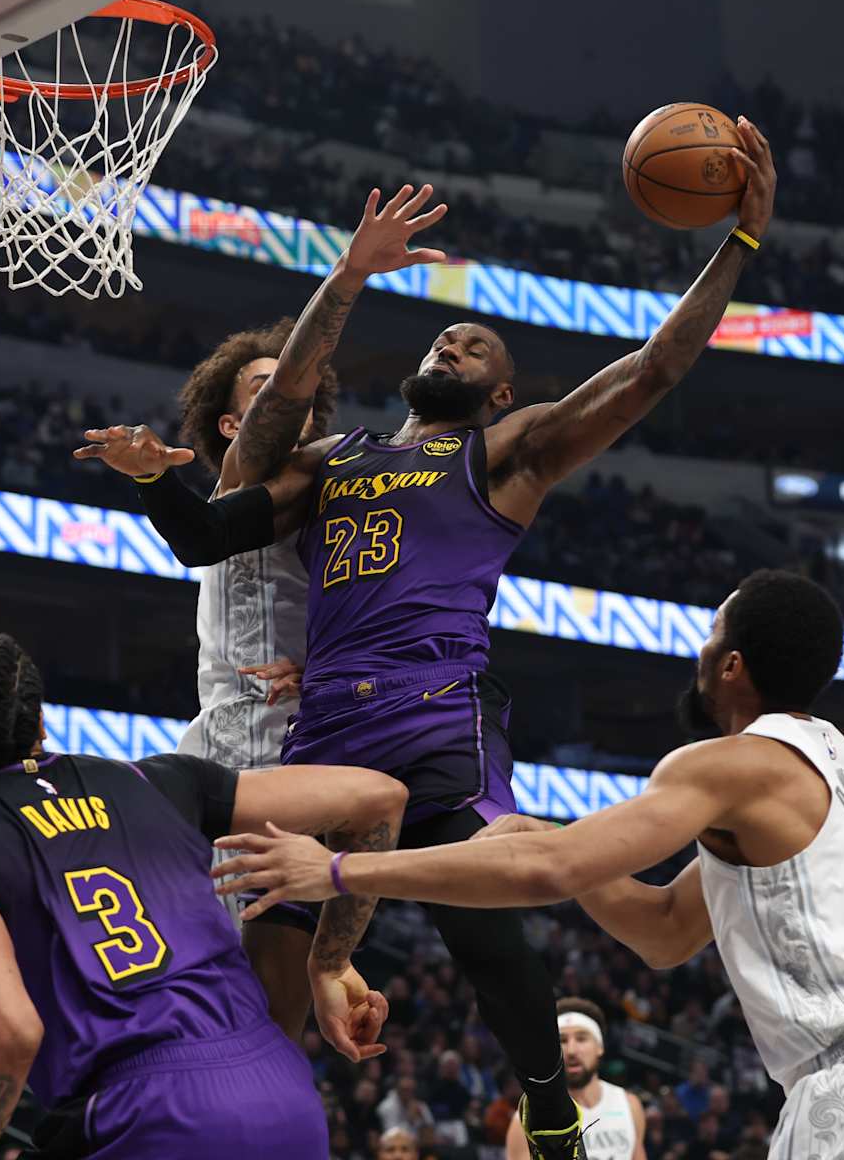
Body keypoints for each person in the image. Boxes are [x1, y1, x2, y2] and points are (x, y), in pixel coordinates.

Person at [86, 119, 779, 1159]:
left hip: (434, 708)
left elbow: (651, 371)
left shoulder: (508, 450)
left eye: (476, 347)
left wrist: (742, 243)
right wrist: (154, 476)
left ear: (501, 391)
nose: (452, 344)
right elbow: (206, 524)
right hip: (325, 732)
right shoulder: (338, 458)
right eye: (445, 337)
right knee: (277, 958)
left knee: (471, 889)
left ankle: (546, 1102)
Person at [215, 568, 844, 1157]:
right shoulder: (836, 764)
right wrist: (543, 832)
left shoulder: (728, 764)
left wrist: (340, 873)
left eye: (712, 633)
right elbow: (663, 930)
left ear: (732, 665)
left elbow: (548, 873)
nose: (701, 649)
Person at [0, 633, 406, 1158]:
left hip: (142, 1110)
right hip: (285, 1094)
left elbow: (7, 1032)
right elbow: (379, 800)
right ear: (39, 723)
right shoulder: (157, 780)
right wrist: (331, 962)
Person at [152, 315, 344, 1038]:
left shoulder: (335, 491)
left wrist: (328, 664)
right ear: (233, 424)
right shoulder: (239, 484)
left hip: (294, 747)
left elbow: (378, 607)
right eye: (267, 392)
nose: (288, 400)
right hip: (213, 743)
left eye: (296, 393)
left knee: (269, 1001)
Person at [507, 1000, 644, 1160]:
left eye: (581, 1038)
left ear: (600, 1047)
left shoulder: (629, 1105)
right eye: (562, 1041)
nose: (571, 1050)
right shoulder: (528, 1119)